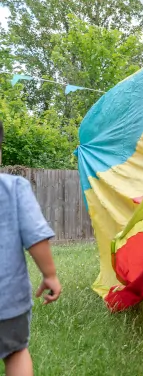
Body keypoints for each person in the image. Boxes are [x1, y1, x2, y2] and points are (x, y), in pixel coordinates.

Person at [0, 119, 62, 376]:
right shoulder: (13, 188)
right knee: (16, 352)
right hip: (7, 303)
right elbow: (36, 237)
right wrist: (50, 275)